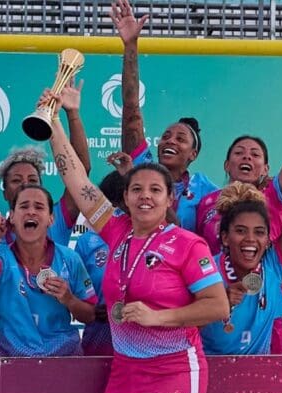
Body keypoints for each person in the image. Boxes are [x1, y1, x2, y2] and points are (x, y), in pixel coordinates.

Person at [48, 96, 229, 393]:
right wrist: (57, 121)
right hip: (125, 372)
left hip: (173, 371)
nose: (144, 196)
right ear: (125, 197)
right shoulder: (116, 234)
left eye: (155, 189)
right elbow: (76, 180)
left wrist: (158, 318)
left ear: (171, 199)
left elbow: (217, 305)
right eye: (136, 189)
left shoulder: (187, 244)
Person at [201, 122, 282, 355]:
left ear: (269, 239)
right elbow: (178, 325)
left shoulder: (272, 266)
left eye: (259, 232)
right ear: (224, 237)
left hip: (257, 381)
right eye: (240, 231)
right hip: (208, 377)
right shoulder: (205, 272)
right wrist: (215, 304)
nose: (251, 239)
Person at [194, 70, 282, 255]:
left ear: (265, 169)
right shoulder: (206, 202)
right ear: (226, 165)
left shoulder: (273, 195)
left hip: (264, 281)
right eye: (239, 152)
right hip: (218, 283)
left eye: (255, 154)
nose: (247, 157)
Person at [109, 0, 217, 233]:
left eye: (180, 139)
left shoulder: (206, 189)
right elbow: (131, 113)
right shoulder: (143, 167)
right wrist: (130, 46)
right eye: (167, 136)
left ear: (193, 154)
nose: (169, 141)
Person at [0, 187, 97, 357]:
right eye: (23, 206)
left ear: (51, 219)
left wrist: (69, 299)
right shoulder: (1, 257)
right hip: (11, 360)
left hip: (63, 358)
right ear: (12, 217)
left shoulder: (69, 259)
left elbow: (90, 316)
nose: (31, 212)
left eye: (39, 207)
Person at [0, 79, 91, 246]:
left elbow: (80, 171)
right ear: (4, 192)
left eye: (32, 180)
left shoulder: (57, 218)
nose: (25, 185)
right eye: (16, 180)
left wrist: (72, 113)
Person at [75, 165, 128, 356]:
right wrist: (90, 310)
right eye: (110, 206)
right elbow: (78, 295)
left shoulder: (150, 241)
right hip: (97, 344)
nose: (115, 215)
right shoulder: (87, 242)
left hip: (140, 348)